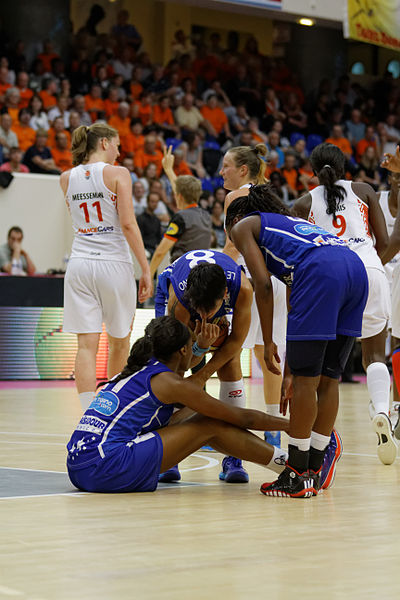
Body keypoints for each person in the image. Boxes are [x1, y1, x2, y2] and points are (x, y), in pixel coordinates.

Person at [225, 184, 368, 498]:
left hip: (321, 272)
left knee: (306, 383)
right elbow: (295, 305)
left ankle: (295, 473)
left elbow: (262, 287)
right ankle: (313, 470)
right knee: (329, 379)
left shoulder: (244, 225)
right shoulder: (293, 226)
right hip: (355, 269)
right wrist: (290, 367)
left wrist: (267, 345)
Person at [67, 316, 292, 494]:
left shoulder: (136, 372)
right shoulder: (168, 382)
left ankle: (286, 465)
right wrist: (291, 424)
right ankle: (294, 468)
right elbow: (243, 418)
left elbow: (177, 418)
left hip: (79, 468)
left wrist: (199, 398)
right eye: (193, 346)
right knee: (208, 424)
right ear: (183, 350)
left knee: (203, 420)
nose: (195, 351)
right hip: (106, 467)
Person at [293, 142, 397, 465]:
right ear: (344, 168)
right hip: (370, 271)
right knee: (375, 353)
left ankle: (314, 452)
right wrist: (368, 269)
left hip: (330, 279)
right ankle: (382, 411)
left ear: (312, 171)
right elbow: (382, 241)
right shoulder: (364, 190)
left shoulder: (303, 202)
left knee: (326, 375)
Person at [60, 122, 152, 413]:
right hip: (113, 262)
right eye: (116, 144)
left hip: (79, 262)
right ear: (103, 143)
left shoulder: (65, 178)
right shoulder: (118, 173)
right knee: (119, 344)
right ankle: (110, 414)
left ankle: (89, 414)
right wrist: (146, 268)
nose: (119, 150)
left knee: (86, 346)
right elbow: (127, 223)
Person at [155, 251, 254, 483]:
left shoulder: (244, 290)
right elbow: (179, 362)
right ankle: (169, 456)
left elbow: (236, 343)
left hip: (217, 291)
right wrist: (198, 349)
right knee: (171, 373)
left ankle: (233, 457)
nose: (203, 316)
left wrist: (202, 375)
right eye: (199, 310)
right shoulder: (179, 300)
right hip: (172, 289)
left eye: (209, 310)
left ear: (226, 295)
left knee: (230, 362)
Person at [220, 144, 287, 448]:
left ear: (242, 170)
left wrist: (214, 268)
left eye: (226, 166)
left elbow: (233, 247)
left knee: (233, 352)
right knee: (268, 353)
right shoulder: (271, 195)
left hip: (250, 279)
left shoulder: (235, 197)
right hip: (278, 281)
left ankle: (234, 425)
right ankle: (272, 426)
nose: (221, 172)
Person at [149, 147, 211, 278]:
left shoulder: (181, 217)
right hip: (203, 275)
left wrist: (148, 275)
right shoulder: (205, 215)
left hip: (183, 273)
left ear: (179, 196)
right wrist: (169, 170)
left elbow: (161, 251)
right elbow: (183, 189)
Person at [137, 192, 163, 258]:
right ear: (147, 202)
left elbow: (159, 238)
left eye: (156, 202)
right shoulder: (140, 218)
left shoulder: (157, 220)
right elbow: (139, 238)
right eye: (152, 202)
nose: (154, 204)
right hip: (144, 250)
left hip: (155, 250)